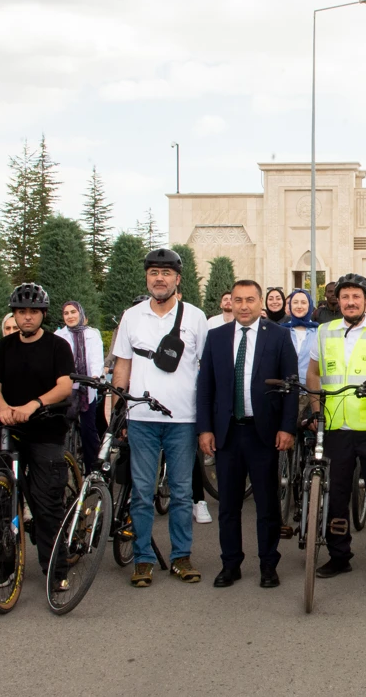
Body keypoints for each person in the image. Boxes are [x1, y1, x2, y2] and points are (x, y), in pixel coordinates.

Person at [111, 248, 210, 588]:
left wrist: (206, 418)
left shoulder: (196, 317)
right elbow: (122, 365)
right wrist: (117, 408)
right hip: (140, 418)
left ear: (177, 279)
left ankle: (181, 557)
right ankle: (143, 559)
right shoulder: (132, 316)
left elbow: (206, 369)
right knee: (141, 492)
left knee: (182, 492)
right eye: (154, 272)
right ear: (147, 278)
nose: (159, 278)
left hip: (183, 418)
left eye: (166, 273)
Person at [196, 279, 298, 589]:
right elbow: (206, 388)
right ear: (230, 303)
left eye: (250, 300)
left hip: (263, 433)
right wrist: (205, 429)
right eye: (238, 300)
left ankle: (268, 564)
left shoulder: (279, 337)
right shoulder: (216, 337)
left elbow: (291, 386)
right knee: (228, 505)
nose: (243, 306)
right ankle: (231, 564)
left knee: (267, 504)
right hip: (227, 434)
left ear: (260, 303)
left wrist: (287, 426)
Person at [307, 273, 366, 582]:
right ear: (338, 301)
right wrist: (316, 411)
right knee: (337, 495)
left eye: (356, 297)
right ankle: (339, 556)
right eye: (345, 297)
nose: (350, 302)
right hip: (336, 426)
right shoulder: (324, 331)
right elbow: (314, 373)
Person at [0, 283, 77, 592]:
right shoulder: (4, 347)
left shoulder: (57, 346)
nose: (26, 318)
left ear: (42, 315)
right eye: (21, 312)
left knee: (46, 503)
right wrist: (4, 410)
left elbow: (65, 386)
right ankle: (4, 563)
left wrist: (34, 405)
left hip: (46, 429)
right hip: (10, 429)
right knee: (1, 500)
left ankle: (55, 568)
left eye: (33, 313)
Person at [55, 301, 104, 474]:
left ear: (80, 313)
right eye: (66, 313)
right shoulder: (59, 335)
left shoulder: (92, 334)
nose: (70, 316)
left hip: (87, 387)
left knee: (89, 430)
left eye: (73, 312)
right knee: (59, 429)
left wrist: (96, 376)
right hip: (67, 387)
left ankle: (93, 472)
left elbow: (96, 359)